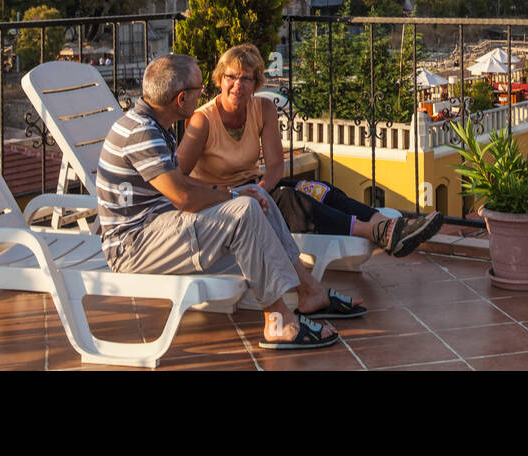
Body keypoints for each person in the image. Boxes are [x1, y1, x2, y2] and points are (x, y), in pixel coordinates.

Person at [96, 53, 365, 351]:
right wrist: (232, 196)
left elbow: (182, 186)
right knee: (244, 210)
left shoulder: (155, 125)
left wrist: (237, 194)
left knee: (257, 196)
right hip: (134, 246)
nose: (203, 95)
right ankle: (278, 321)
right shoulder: (142, 132)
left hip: (160, 229)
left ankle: (309, 292)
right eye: (199, 90)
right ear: (181, 98)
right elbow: (182, 196)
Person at [179, 43, 443, 258]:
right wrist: (231, 194)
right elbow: (178, 177)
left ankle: (391, 229)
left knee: (321, 190)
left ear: (256, 82)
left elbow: (274, 167)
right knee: (290, 200)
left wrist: (259, 190)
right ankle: (373, 230)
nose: (238, 85)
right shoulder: (204, 120)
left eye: (246, 78)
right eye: (231, 77)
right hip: (220, 201)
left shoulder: (263, 109)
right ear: (219, 79)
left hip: (253, 188)